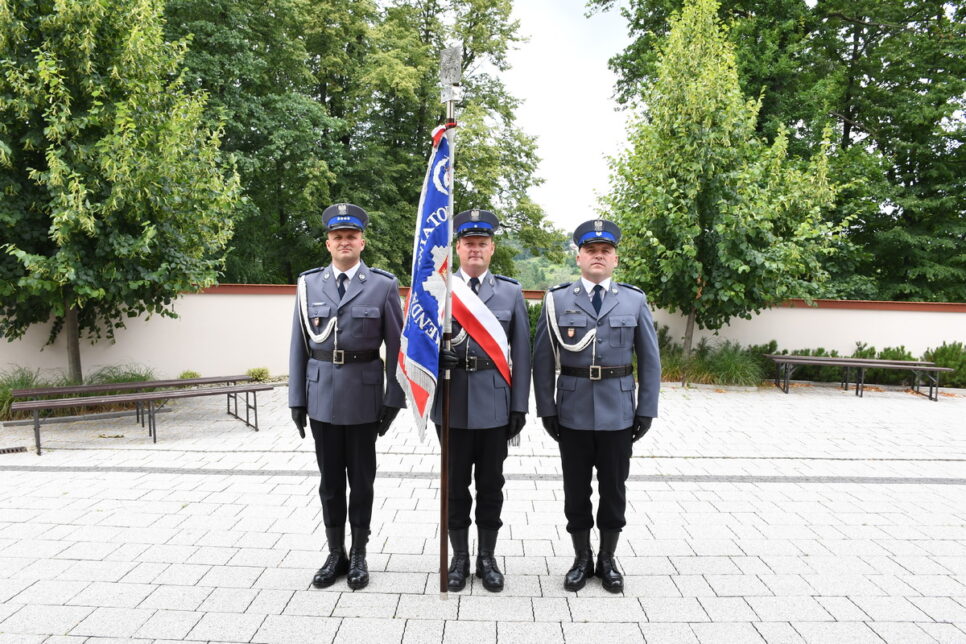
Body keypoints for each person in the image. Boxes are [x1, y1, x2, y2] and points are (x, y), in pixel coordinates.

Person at [532, 218, 661, 593]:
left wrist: (646, 409)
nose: (598, 256)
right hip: (572, 411)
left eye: (605, 251)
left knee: (614, 489)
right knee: (576, 490)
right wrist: (547, 408)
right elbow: (543, 359)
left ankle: (607, 559)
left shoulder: (633, 300)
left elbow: (649, 360)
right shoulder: (558, 300)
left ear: (615, 259)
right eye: (591, 250)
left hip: (618, 412)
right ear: (579, 257)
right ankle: (581, 558)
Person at [289, 203, 405, 590]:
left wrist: (393, 398)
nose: (344, 242)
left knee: (362, 481)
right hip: (321, 397)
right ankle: (334, 552)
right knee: (329, 483)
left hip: (363, 399)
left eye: (351, 236)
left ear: (362, 242)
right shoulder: (308, 285)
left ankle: (359, 553)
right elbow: (298, 344)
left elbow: (397, 346)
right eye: (337, 237)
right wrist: (296, 399)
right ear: (328, 243)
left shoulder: (382, 285)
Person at [432, 208, 531, 592]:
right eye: (469, 243)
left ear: (492, 249)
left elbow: (522, 353)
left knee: (491, 485)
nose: (475, 249)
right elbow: (417, 342)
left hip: (493, 403)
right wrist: (435, 358)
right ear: (457, 248)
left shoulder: (510, 292)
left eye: (482, 243)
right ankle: (459, 558)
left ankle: (487, 558)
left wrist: (519, 405)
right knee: (454, 486)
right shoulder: (438, 289)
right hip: (451, 401)